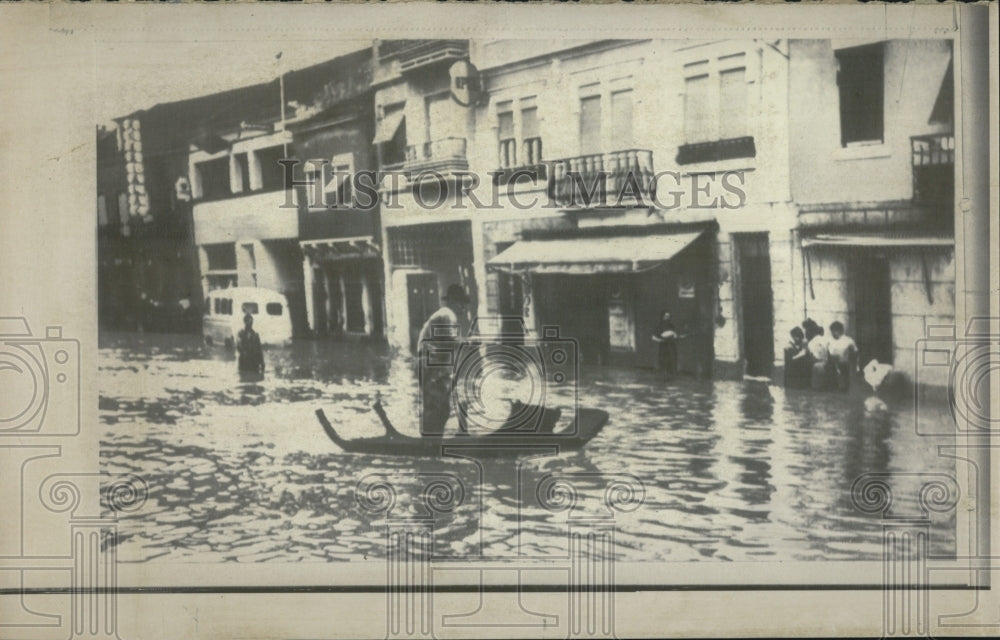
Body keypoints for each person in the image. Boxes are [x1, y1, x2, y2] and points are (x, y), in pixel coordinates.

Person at [416, 284, 470, 437]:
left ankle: (432, 438)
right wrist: (471, 342)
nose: (464, 308)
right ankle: (430, 441)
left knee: (441, 407)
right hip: (430, 362)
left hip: (433, 363)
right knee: (436, 405)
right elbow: (451, 341)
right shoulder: (447, 314)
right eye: (462, 303)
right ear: (452, 301)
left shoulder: (445, 315)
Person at [827, 321, 858, 392]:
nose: (832, 333)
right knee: (831, 367)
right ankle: (834, 386)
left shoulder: (848, 340)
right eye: (831, 331)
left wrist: (853, 363)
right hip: (833, 362)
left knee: (843, 368)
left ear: (839, 331)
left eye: (833, 331)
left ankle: (843, 387)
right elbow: (828, 352)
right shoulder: (830, 340)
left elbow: (855, 351)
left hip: (844, 362)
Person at [803, 318, 831, 390]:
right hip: (827, 363)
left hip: (817, 364)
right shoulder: (826, 339)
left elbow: (811, 357)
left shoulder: (811, 343)